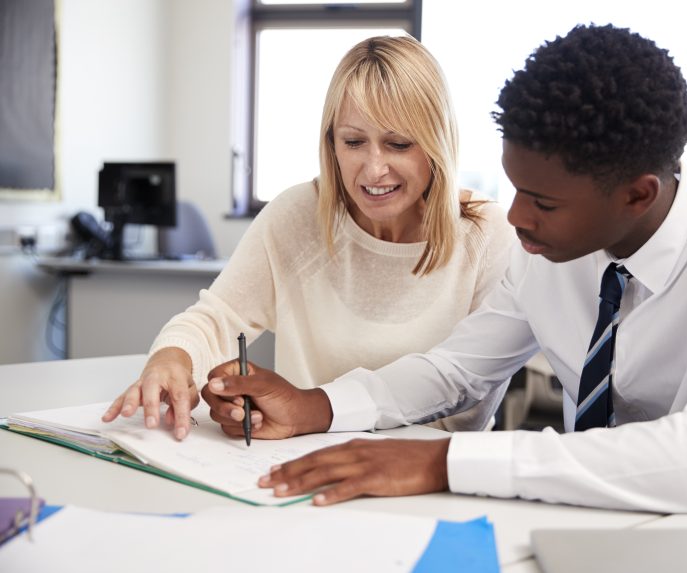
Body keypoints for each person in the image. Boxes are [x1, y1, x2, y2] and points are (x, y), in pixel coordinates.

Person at [202, 24, 687, 520]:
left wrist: (447, 461)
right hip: (594, 529)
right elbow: (453, 371)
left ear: (637, 195)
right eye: (516, 188)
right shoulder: (546, 251)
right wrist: (316, 406)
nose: (517, 217)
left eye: (544, 203)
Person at [101, 35, 515, 438]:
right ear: (331, 142)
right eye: (353, 141)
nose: (373, 170)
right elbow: (217, 318)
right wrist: (172, 357)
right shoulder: (299, 214)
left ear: (437, 144)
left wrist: (308, 412)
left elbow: (468, 408)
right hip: (303, 464)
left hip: (431, 474)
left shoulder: (485, 233)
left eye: (398, 144)